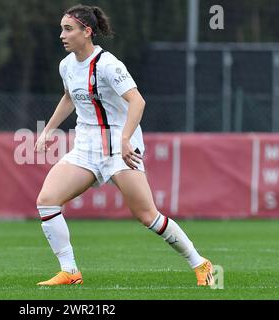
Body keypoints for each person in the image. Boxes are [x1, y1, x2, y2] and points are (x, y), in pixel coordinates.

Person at [34, 4, 214, 287]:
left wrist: (126, 138)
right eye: (61, 29)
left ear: (87, 31)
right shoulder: (66, 65)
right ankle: (70, 271)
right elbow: (69, 97)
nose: (62, 35)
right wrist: (47, 131)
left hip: (119, 146)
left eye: (68, 29)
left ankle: (200, 262)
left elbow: (137, 101)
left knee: (148, 216)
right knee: (46, 201)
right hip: (86, 147)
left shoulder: (108, 64)